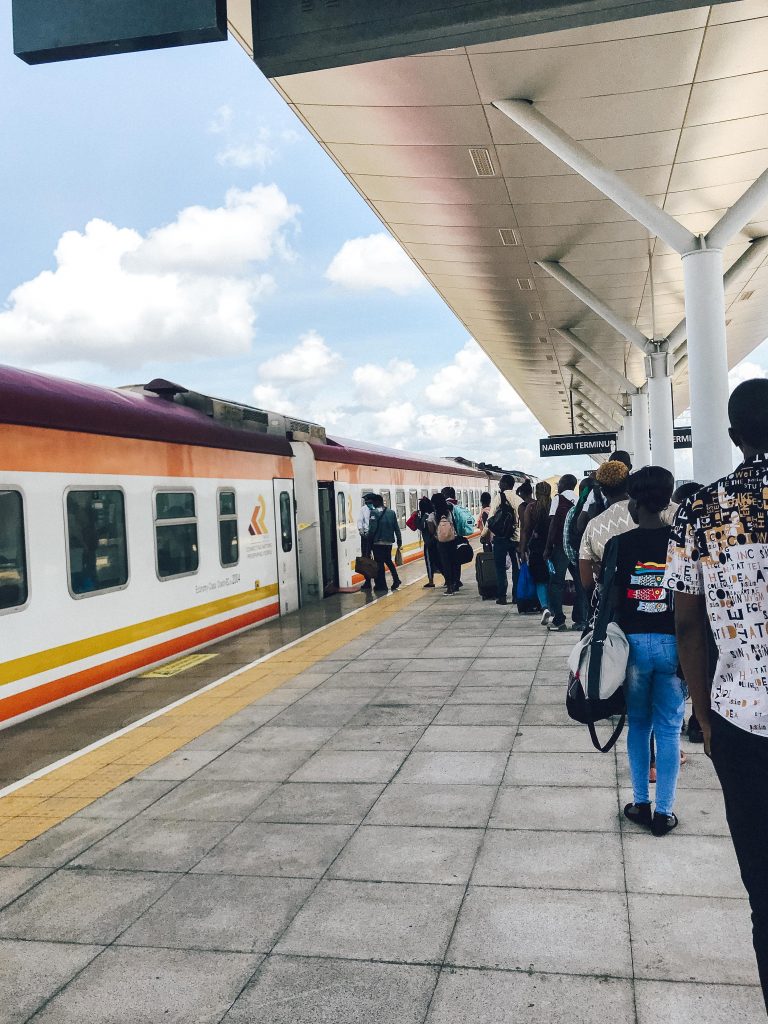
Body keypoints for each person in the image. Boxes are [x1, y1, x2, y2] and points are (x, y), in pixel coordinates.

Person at [664, 378, 768, 1009]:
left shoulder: (702, 510)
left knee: (763, 884)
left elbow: (685, 621)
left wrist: (703, 714)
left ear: (734, 437)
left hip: (739, 716)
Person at [611, 466, 684, 837]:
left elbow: (606, 601)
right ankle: (664, 813)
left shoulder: (619, 545)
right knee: (670, 730)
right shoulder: (682, 542)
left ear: (634, 502)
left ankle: (640, 802)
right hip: (675, 645)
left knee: (639, 725)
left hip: (633, 649)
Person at [544, 474, 578, 631]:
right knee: (580, 583)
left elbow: (553, 524)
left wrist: (547, 547)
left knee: (556, 583)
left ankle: (559, 620)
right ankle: (581, 619)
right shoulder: (579, 500)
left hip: (560, 547)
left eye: (559, 483)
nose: (557, 485)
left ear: (564, 484)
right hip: (576, 547)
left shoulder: (558, 499)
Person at [486, 473, 522, 606]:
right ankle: (516, 596)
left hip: (501, 538)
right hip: (516, 539)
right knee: (516, 568)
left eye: (500, 482)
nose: (499, 484)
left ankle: (501, 596)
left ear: (506, 484)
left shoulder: (499, 498)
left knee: (500, 568)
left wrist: (484, 535)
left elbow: (490, 519)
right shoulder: (519, 500)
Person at [520, 481, 552, 618]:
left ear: (536, 493)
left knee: (540, 579)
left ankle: (545, 606)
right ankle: (554, 606)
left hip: (536, 547)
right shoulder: (554, 506)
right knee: (553, 579)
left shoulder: (531, 508)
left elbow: (526, 530)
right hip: (552, 547)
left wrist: (522, 549)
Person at [368, 495, 402, 593]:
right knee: (388, 561)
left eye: (373, 502)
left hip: (378, 542)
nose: (372, 504)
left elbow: (372, 529)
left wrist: (369, 540)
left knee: (379, 563)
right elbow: (396, 528)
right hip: (388, 542)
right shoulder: (391, 512)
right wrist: (399, 540)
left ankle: (382, 585)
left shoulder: (373, 513)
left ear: (377, 502)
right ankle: (396, 579)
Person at [357, 492, 378, 592]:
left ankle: (378, 580)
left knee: (378, 558)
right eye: (366, 502)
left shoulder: (378, 510)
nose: (367, 504)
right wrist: (360, 530)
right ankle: (367, 581)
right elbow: (360, 521)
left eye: (369, 502)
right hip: (365, 537)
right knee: (366, 558)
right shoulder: (363, 509)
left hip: (376, 536)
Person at [416, 496, 438, 588]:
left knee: (429, 562)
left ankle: (431, 581)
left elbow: (421, 527)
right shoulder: (434, 514)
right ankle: (447, 579)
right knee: (440, 560)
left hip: (429, 543)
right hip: (437, 541)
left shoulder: (425, 516)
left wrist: (416, 518)